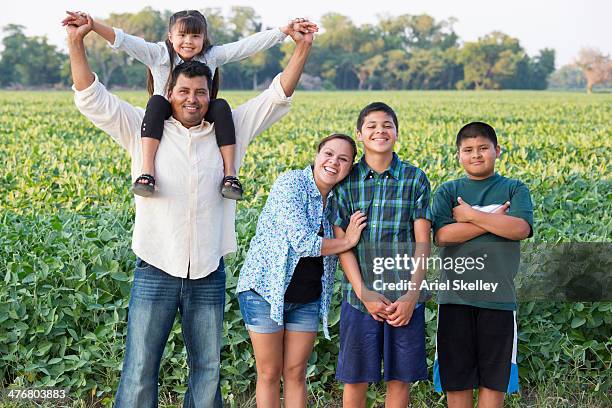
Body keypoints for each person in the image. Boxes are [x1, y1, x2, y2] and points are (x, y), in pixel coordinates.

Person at [65, 14, 313, 408]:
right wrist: (77, 43)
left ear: (210, 94)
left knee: (207, 369)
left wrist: (302, 48)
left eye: (200, 92)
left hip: (208, 273)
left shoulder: (230, 129)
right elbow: (91, 97)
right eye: (183, 91)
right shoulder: (141, 129)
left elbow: (276, 96)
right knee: (140, 367)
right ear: (170, 91)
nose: (192, 99)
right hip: (155, 267)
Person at [62, 10, 317, 199]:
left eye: (195, 36)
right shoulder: (158, 54)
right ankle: (147, 171)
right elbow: (123, 40)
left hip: (206, 116)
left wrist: (282, 32)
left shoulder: (212, 55)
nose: (188, 41)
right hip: (162, 115)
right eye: (182, 35)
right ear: (170, 36)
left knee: (221, 106)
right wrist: (93, 26)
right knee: (157, 103)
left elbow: (246, 47)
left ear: (204, 38)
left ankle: (230, 175)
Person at [236, 133, 366, 407]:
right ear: (317, 155)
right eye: (328, 154)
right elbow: (303, 242)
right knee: (269, 372)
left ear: (350, 167)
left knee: (296, 372)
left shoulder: (338, 199)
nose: (333, 162)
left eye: (343, 159)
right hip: (264, 291)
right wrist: (347, 241)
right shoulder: (291, 183)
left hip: (307, 297)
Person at [330, 102, 432, 407]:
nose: (380, 131)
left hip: (404, 297)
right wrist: (364, 292)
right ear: (359, 134)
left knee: (400, 378)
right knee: (356, 377)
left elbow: (422, 243)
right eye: (371, 126)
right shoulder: (346, 182)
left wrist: (412, 296)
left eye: (387, 125)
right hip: (359, 298)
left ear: (397, 133)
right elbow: (342, 243)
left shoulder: (415, 179)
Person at [431, 122, 534, 408]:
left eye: (483, 148)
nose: (476, 155)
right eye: (468, 150)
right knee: (458, 379)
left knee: (494, 379)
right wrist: (493, 220)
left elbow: (519, 229)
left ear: (497, 150)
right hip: (454, 299)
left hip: (499, 300)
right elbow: (442, 236)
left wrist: (469, 216)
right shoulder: (448, 191)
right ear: (458, 155)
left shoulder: (514, 188)